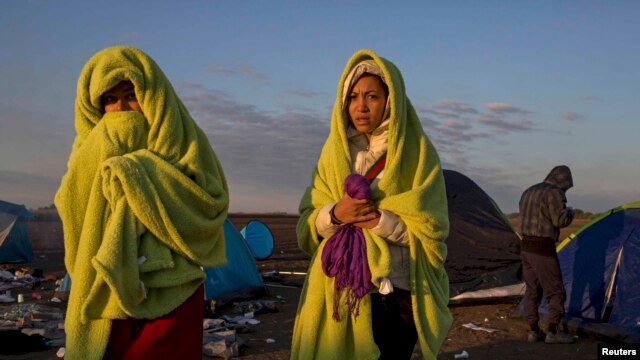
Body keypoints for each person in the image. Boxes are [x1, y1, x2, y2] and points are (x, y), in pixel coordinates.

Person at [55, 46, 229, 360]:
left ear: (154, 98)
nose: (121, 109)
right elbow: (74, 210)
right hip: (103, 287)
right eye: (109, 99)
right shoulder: (86, 151)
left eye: (131, 95)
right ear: (94, 107)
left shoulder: (185, 141)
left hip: (174, 288)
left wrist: (136, 174)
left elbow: (209, 204)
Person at [291, 49, 452, 360]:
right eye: (352, 97)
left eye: (372, 96)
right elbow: (306, 227)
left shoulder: (417, 154)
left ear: (391, 99)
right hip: (339, 293)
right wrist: (336, 214)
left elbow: (432, 233)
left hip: (396, 295)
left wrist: (380, 221)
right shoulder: (332, 153)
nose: (360, 106)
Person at [519, 165, 575, 344]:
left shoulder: (528, 191)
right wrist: (570, 212)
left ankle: (533, 331)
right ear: (563, 181)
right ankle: (552, 331)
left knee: (532, 290)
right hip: (543, 249)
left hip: (526, 247)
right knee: (556, 291)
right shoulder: (554, 193)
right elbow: (560, 220)